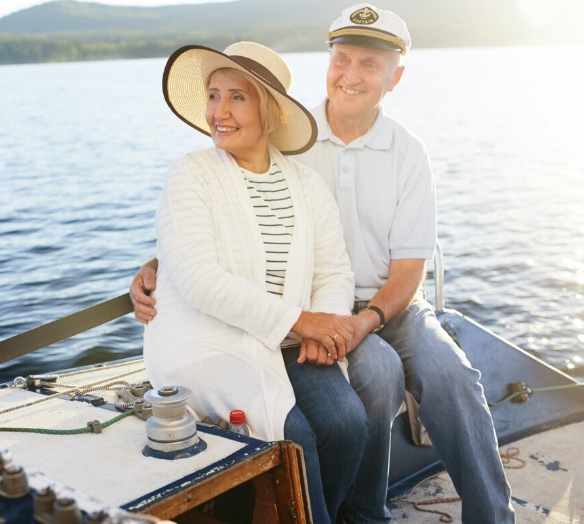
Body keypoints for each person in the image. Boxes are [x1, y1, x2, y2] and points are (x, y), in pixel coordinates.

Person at [133, 5, 516, 523]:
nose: (351, 76)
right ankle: (362, 511)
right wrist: (158, 264)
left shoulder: (408, 153)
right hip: (307, 313)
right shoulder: (293, 144)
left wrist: (358, 322)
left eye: (369, 65)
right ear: (328, 63)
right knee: (376, 375)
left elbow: (408, 270)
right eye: (342, 60)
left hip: (388, 307)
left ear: (394, 77)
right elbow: (219, 222)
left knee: (454, 379)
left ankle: (493, 517)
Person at [145, 41, 377, 523]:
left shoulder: (306, 185)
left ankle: (321, 516)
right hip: (210, 343)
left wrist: (328, 330)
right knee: (295, 434)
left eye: (237, 98)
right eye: (213, 96)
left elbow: (334, 271)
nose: (218, 112)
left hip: (291, 339)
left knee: (348, 423)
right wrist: (303, 321)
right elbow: (196, 279)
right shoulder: (190, 174)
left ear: (269, 111)